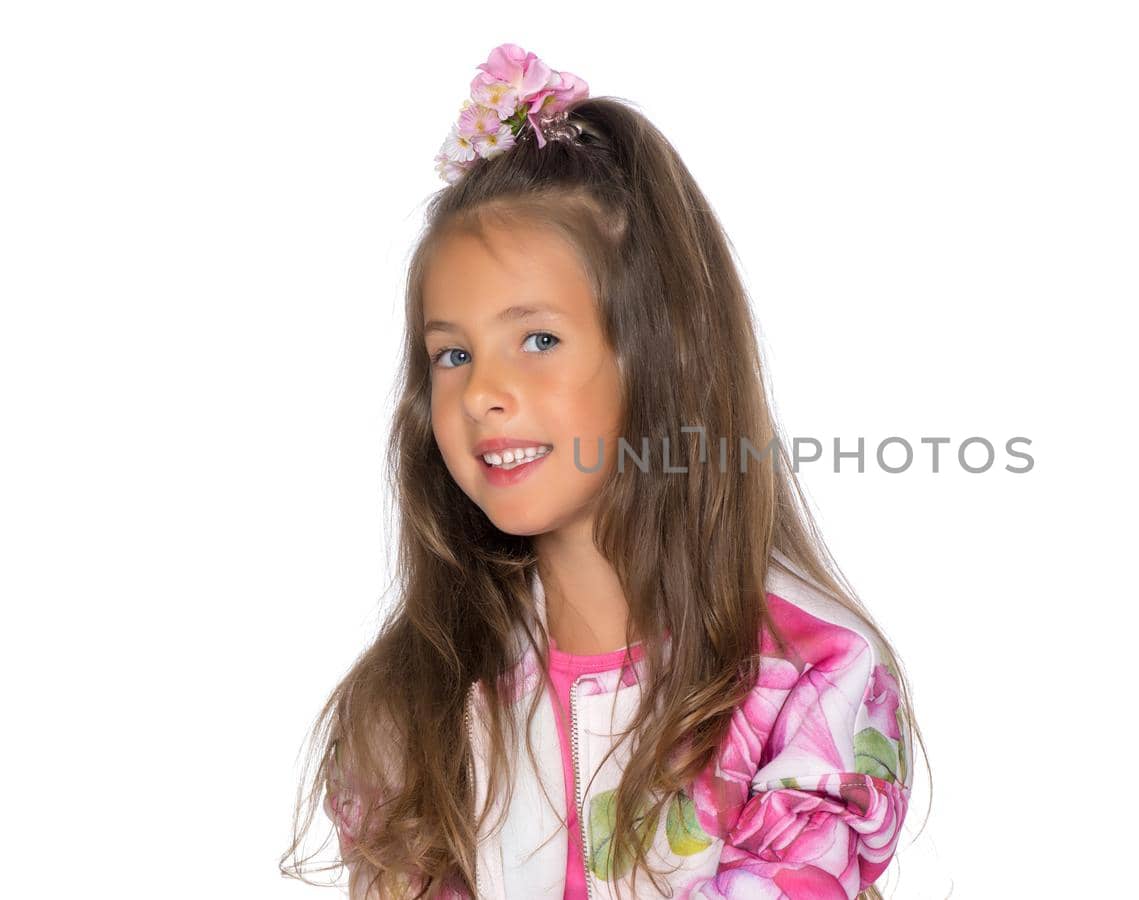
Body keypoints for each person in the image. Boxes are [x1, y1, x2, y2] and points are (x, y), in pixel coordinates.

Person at [279, 42, 927, 900]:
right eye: (452, 354)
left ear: (659, 358)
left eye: (538, 340)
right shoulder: (412, 704)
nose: (482, 394)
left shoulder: (813, 678)